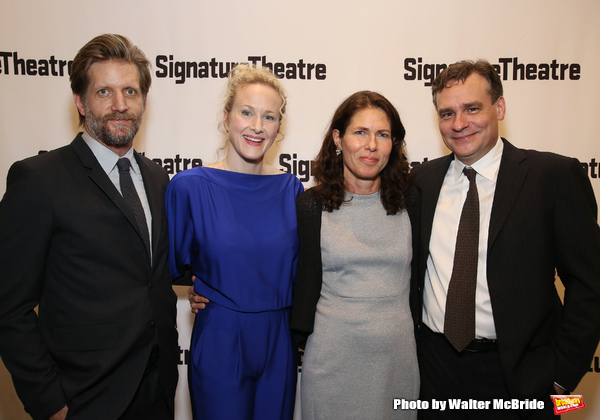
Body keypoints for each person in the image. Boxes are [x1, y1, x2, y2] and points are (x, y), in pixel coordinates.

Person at [0, 34, 179, 420]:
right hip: (85, 398)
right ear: (80, 101)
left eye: (130, 91)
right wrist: (49, 402)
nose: (120, 105)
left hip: (158, 391)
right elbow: (8, 307)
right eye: (104, 92)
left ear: (144, 101)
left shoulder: (157, 178)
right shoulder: (39, 179)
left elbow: (152, 273)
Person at [410, 59, 600, 419]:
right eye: (447, 113)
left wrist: (559, 379)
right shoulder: (422, 181)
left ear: (499, 107)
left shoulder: (553, 177)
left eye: (472, 108)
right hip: (433, 373)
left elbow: (590, 284)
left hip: (522, 378)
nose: (459, 123)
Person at [165, 65, 303, 420]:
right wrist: (197, 287)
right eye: (247, 112)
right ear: (226, 118)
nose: (257, 126)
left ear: (278, 127)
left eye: (268, 117)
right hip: (220, 340)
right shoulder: (189, 187)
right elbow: (170, 268)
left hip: (280, 341)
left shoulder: (292, 190)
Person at [290, 91, 419, 420]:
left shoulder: (413, 204)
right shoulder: (310, 207)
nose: (372, 145)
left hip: (398, 365)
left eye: (383, 134)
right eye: (360, 132)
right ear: (338, 138)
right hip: (332, 365)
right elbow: (279, 271)